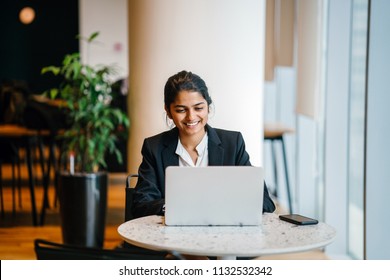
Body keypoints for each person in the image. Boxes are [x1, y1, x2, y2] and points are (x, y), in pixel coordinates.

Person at [131, 70, 275, 219]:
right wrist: (178, 207)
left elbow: (265, 203)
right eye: (181, 110)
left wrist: (220, 206)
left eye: (198, 108)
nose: (191, 117)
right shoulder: (154, 147)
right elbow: (141, 204)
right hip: (171, 237)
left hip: (223, 235)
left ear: (208, 106)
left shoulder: (233, 143)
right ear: (168, 111)